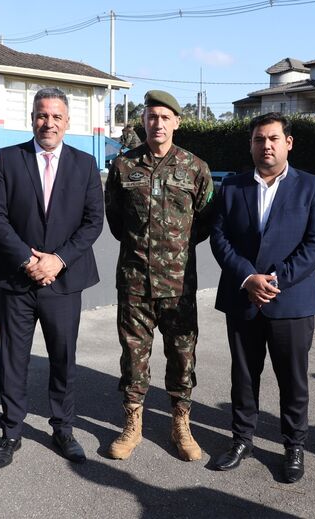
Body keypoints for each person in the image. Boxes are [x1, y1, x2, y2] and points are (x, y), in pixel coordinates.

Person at [0, 87, 104, 470]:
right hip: (17, 280)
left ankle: (63, 429)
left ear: (67, 122)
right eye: (41, 115)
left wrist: (58, 261)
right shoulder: (8, 159)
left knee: (63, 359)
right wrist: (26, 260)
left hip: (63, 282)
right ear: (31, 118)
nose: (47, 122)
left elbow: (92, 222)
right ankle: (11, 432)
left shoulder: (85, 165)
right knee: (13, 359)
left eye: (55, 117)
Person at [209, 112, 315, 483]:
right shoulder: (232, 186)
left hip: (291, 301)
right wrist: (247, 277)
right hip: (243, 298)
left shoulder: (311, 186)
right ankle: (242, 440)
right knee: (243, 376)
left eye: (274, 139)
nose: (266, 146)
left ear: (288, 143)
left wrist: (276, 280)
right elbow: (219, 237)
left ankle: (294, 446)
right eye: (259, 139)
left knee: (292, 379)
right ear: (251, 144)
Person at [104, 90, 214, 461]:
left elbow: (204, 223)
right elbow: (117, 223)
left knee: (182, 355)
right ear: (144, 122)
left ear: (177, 122)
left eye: (166, 117)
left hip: (179, 283)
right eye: (152, 117)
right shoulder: (123, 167)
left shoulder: (195, 168)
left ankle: (181, 423)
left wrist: (173, 253)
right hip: (135, 282)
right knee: (134, 356)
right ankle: (132, 424)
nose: (158, 123)